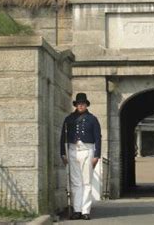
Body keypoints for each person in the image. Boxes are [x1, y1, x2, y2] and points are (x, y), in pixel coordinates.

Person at [60, 93, 102, 221]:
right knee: (75, 182)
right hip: (73, 150)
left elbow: (97, 138)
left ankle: (85, 211)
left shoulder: (92, 119)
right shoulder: (69, 119)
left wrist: (97, 155)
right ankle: (77, 210)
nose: (80, 105)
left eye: (83, 103)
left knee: (87, 182)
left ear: (86, 105)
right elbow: (63, 137)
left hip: (87, 150)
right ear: (76, 105)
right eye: (79, 103)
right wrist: (63, 153)